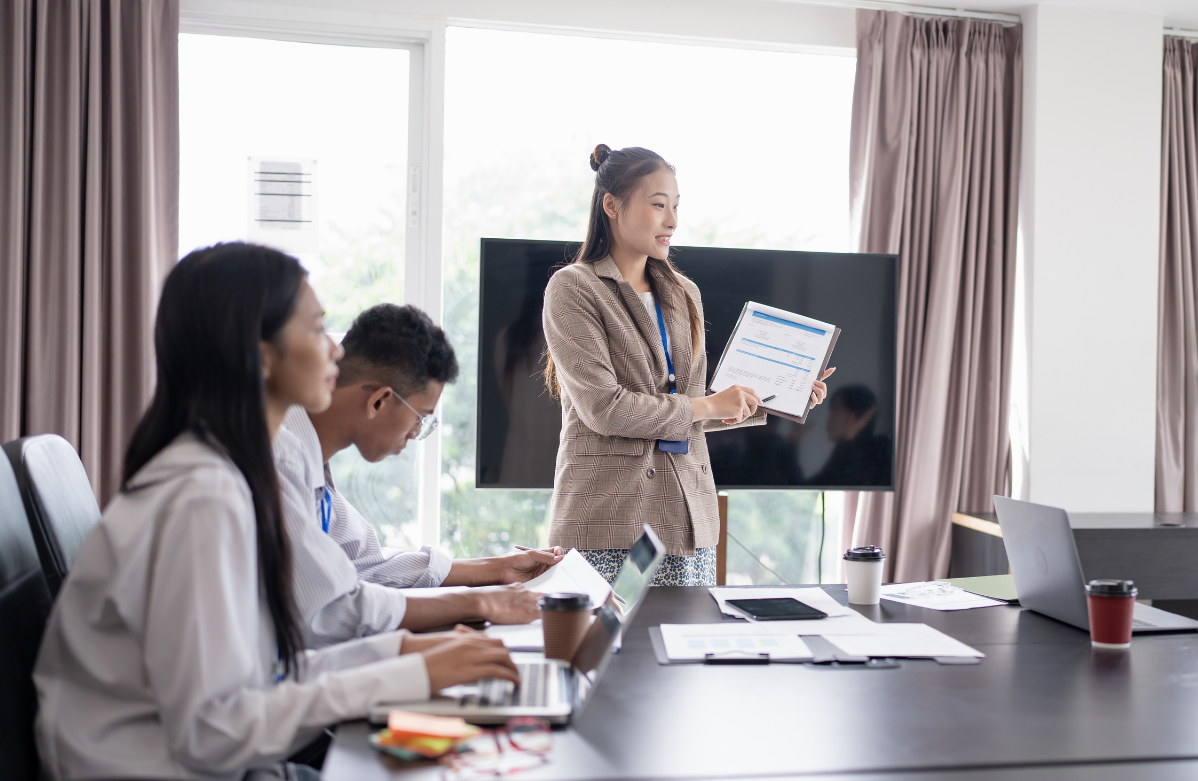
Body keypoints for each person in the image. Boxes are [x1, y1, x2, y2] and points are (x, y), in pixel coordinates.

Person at [33, 243, 517, 781]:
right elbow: (212, 731)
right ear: (262, 355)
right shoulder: (204, 497)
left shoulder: (227, 471)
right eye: (316, 330)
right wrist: (408, 671)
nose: (335, 352)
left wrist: (405, 656)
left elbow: (269, 671)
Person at [542, 144, 834, 586]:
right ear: (611, 205)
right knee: (604, 648)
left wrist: (780, 397)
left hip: (686, 519)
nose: (673, 221)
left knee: (681, 651)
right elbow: (605, 408)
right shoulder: (574, 288)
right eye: (658, 205)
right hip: (608, 521)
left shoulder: (684, 294)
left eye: (676, 207)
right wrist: (710, 406)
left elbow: (695, 411)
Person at [273, 303, 564, 647]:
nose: (416, 434)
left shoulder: (310, 460)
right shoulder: (281, 460)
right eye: (421, 418)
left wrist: (495, 570)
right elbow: (327, 612)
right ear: (380, 401)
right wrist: (477, 601)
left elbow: (363, 565)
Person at [808, 384, 891, 487]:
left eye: (836, 410)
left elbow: (851, 481)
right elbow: (814, 484)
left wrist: (849, 441)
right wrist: (792, 441)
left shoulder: (881, 451)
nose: (829, 418)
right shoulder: (842, 451)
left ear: (853, 416)